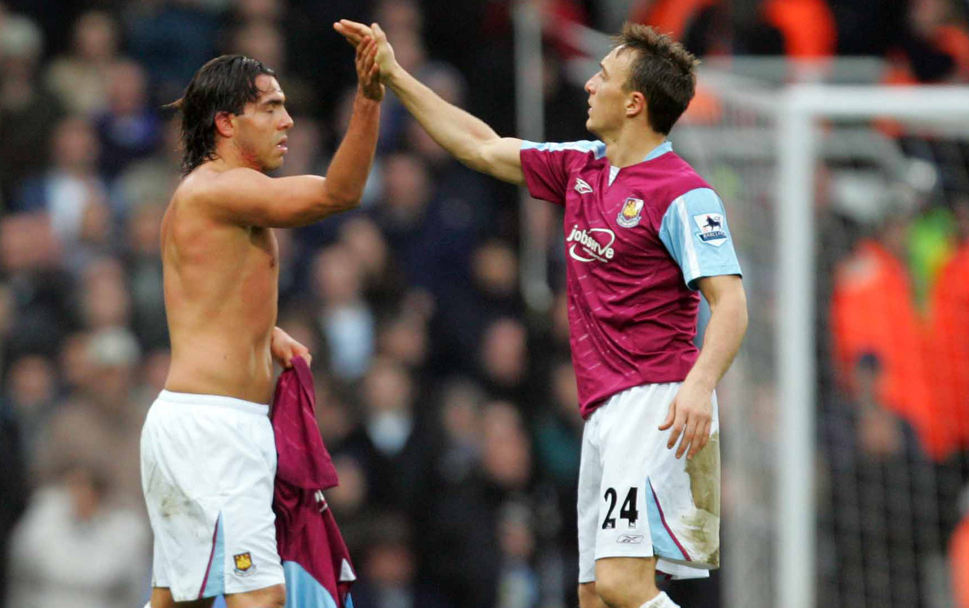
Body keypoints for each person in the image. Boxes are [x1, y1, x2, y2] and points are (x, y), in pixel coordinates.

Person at [335, 19, 747, 608]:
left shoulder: (683, 194)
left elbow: (730, 301)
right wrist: (397, 75)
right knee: (592, 597)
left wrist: (700, 386)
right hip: (605, 411)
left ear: (633, 103)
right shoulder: (581, 167)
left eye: (601, 77)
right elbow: (478, 144)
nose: (588, 86)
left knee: (621, 585)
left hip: (657, 404)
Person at [140, 31, 383, 608]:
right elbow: (338, 194)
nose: (288, 121)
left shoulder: (212, 197)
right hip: (213, 430)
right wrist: (369, 96)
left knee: (178, 600)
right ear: (226, 123)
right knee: (260, 598)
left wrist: (260, 332)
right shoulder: (217, 191)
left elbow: (203, 292)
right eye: (271, 107)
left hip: (204, 424)